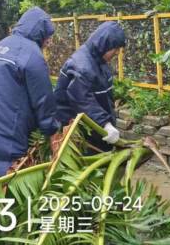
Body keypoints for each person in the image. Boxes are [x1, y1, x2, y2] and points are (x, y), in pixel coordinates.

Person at [0, 7, 61, 177]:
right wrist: (53, 132)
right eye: (48, 37)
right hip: (2, 135)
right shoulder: (31, 53)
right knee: (16, 182)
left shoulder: (3, 45)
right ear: (40, 33)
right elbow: (43, 99)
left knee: (6, 179)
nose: (48, 42)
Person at [54, 21, 126, 151]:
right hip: (82, 135)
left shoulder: (99, 61)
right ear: (104, 45)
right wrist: (105, 124)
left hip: (95, 131)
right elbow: (83, 100)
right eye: (115, 49)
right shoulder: (81, 66)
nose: (117, 53)